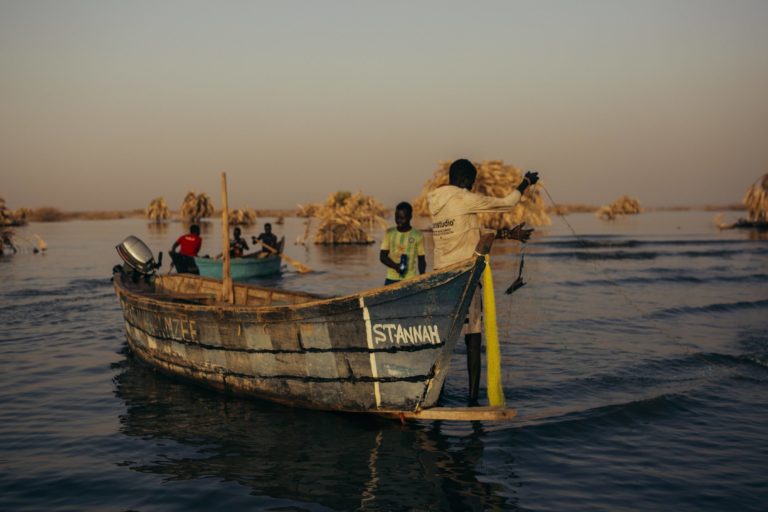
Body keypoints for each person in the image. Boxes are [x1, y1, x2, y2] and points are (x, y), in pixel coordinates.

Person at [427, 158, 539, 404]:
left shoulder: (436, 202)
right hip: (465, 278)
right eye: (473, 183)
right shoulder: (465, 198)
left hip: (441, 280)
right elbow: (508, 204)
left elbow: (467, 230)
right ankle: (472, 400)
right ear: (467, 181)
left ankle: (436, 395)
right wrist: (526, 183)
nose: (473, 187)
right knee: (473, 339)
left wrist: (507, 234)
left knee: (442, 343)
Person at [379, 202, 427, 285]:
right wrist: (396, 266)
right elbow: (382, 256)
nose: (399, 221)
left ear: (410, 217)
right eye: (397, 218)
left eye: (402, 218)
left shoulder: (418, 235)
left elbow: (421, 260)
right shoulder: (389, 233)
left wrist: (422, 278)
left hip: (410, 279)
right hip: (391, 279)